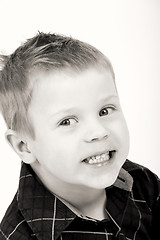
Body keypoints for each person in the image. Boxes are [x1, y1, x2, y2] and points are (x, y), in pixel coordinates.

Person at [0, 32, 159, 240]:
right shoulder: (19, 235)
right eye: (67, 121)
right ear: (24, 146)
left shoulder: (142, 183)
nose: (99, 131)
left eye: (105, 110)